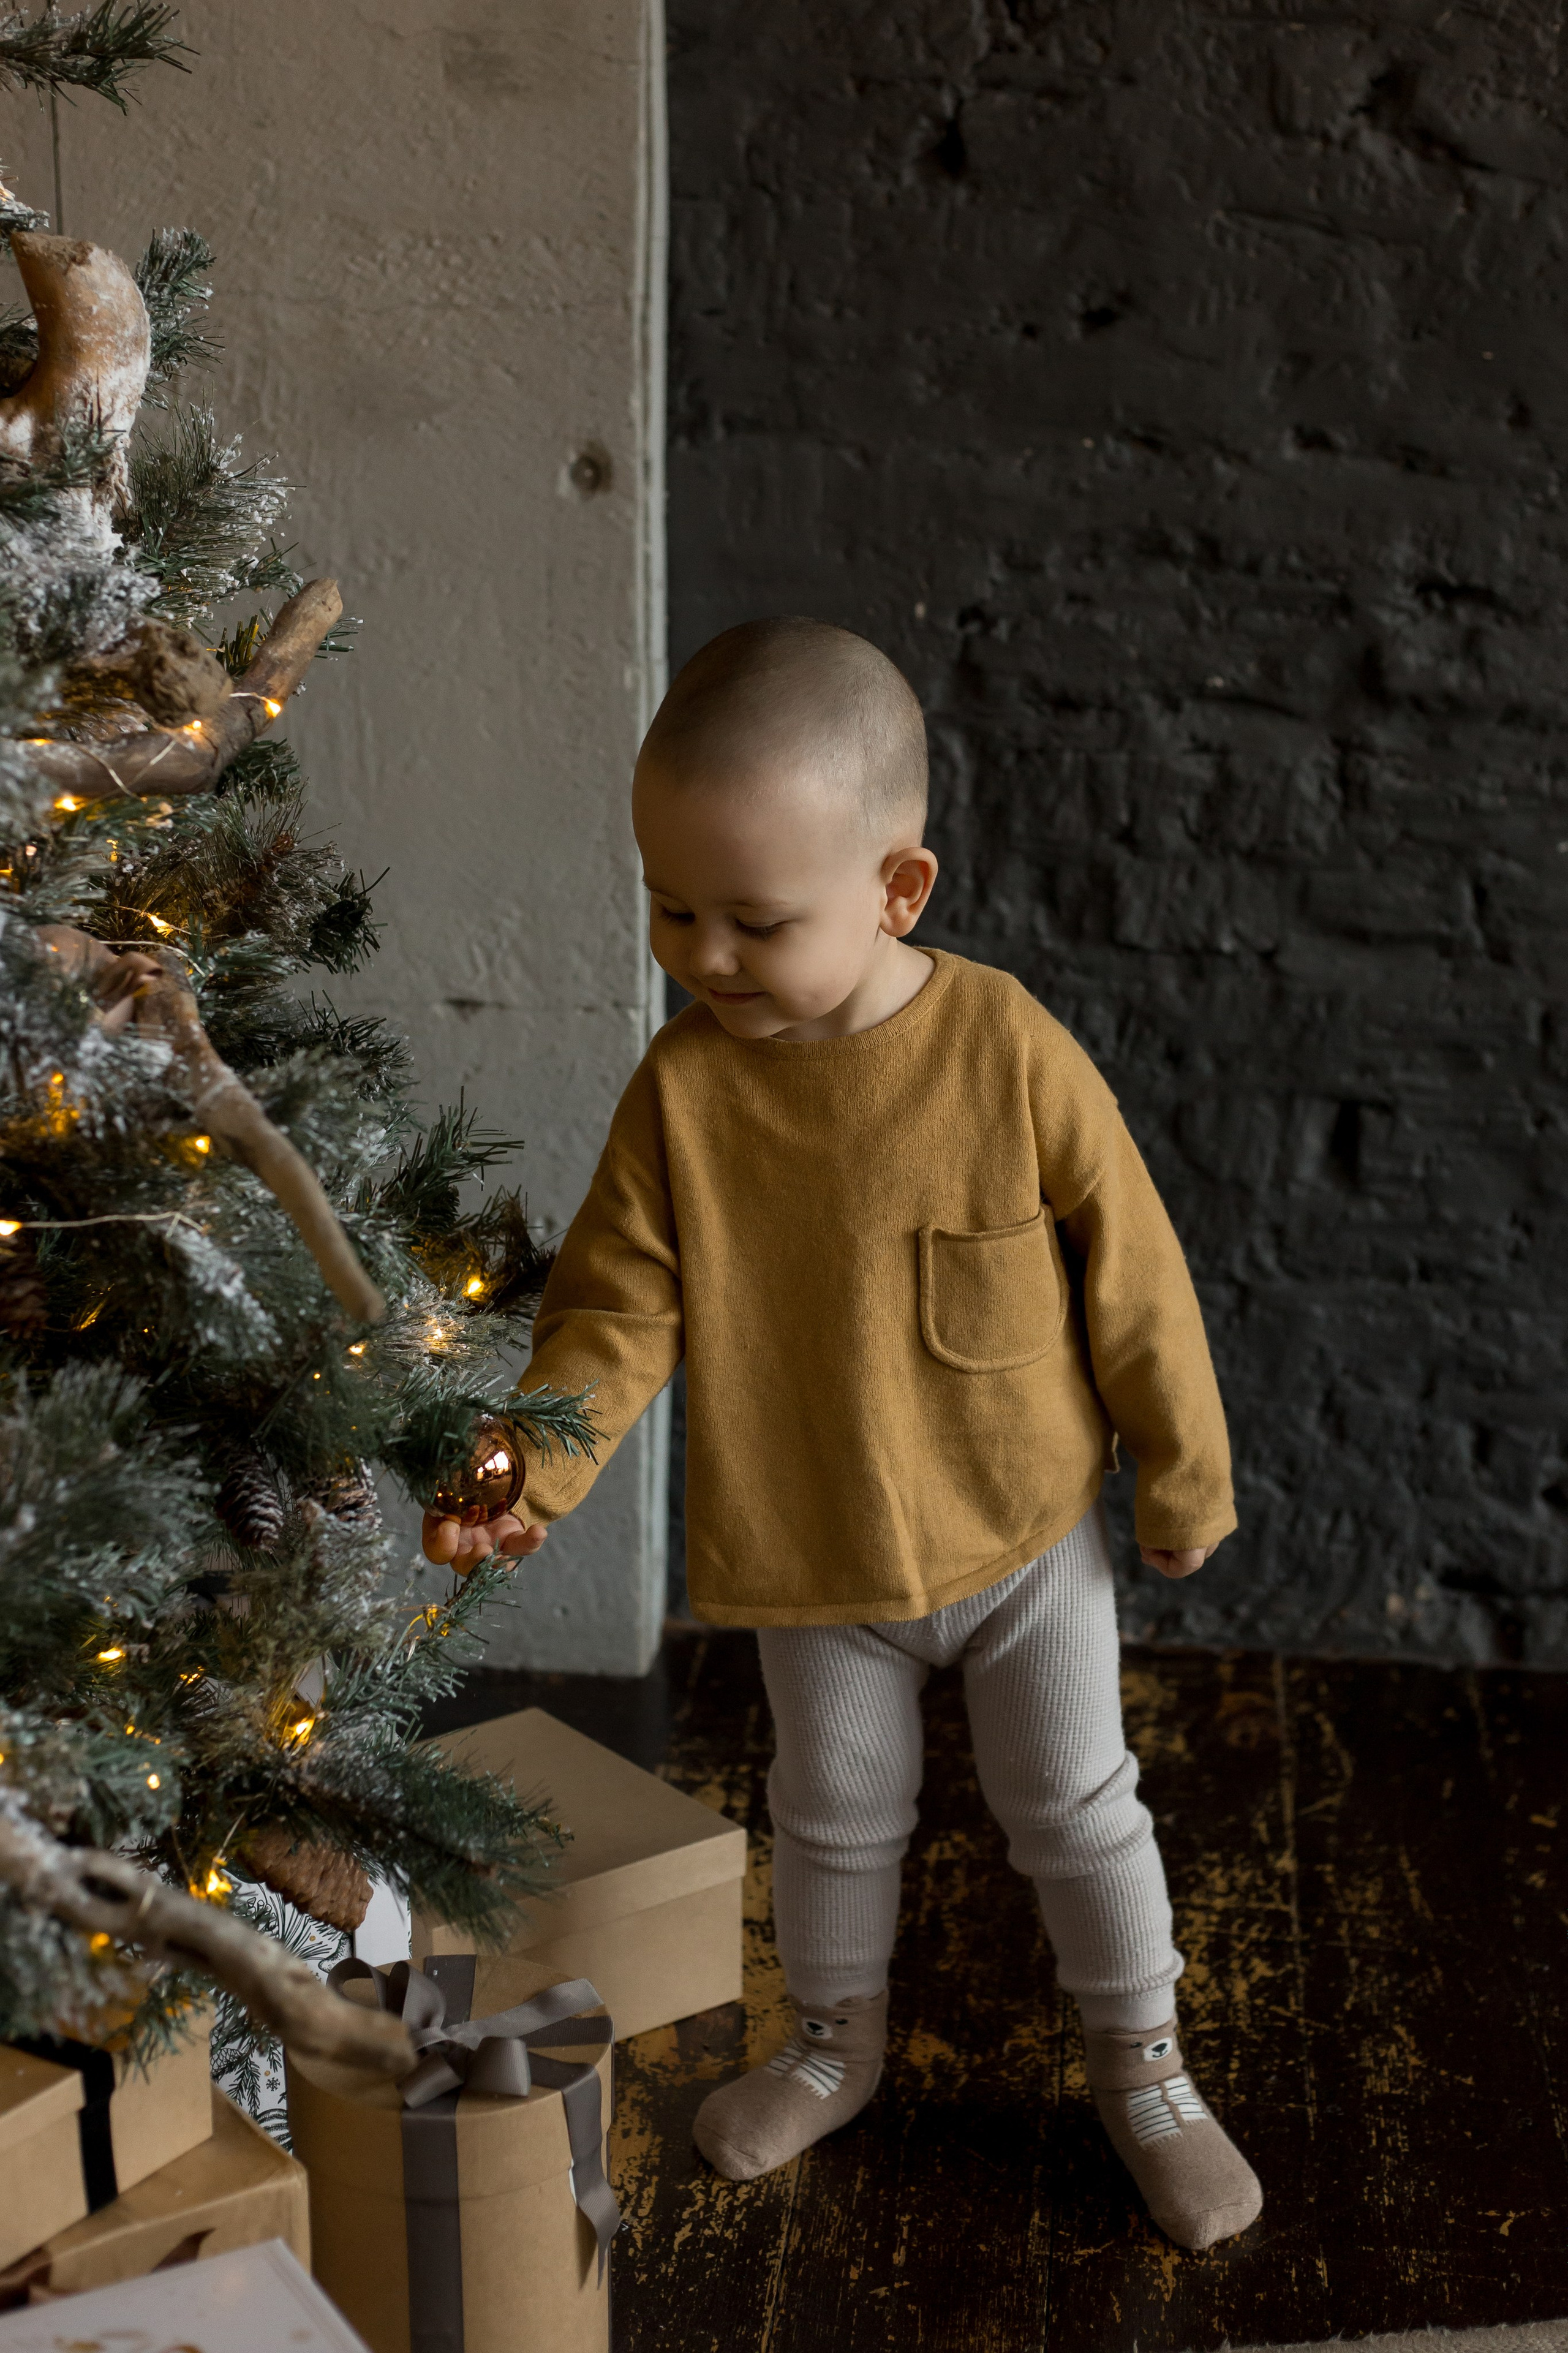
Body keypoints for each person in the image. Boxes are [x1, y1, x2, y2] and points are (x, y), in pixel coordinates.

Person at [423, 618, 1262, 2251]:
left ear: (899, 890)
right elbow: (613, 1311)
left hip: (1018, 1531)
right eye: (674, 909)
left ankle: (1145, 2062)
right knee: (831, 1817)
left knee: (1082, 1806)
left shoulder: (1002, 1047)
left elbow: (1133, 1263)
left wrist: (1184, 1462)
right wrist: (530, 1459)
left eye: (756, 919)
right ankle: (829, 2042)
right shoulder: (682, 1094)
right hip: (814, 1551)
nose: (706, 956)